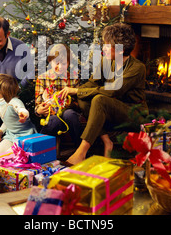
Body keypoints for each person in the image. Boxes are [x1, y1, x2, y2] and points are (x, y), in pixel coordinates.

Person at [59, 23, 148, 165]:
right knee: (84, 98)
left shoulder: (137, 68)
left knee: (98, 99)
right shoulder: (106, 61)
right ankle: (107, 141)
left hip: (133, 114)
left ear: (120, 49)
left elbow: (114, 90)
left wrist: (78, 90)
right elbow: (92, 83)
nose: (103, 47)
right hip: (112, 109)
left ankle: (81, 152)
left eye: (107, 45)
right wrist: (78, 91)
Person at [35, 44, 81, 146]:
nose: (60, 67)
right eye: (56, 63)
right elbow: (38, 104)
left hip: (68, 114)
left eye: (64, 64)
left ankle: (80, 148)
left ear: (69, 63)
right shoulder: (42, 78)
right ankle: (39, 149)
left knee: (70, 114)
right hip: (51, 116)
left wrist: (70, 101)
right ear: (50, 61)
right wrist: (39, 110)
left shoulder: (73, 78)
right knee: (53, 121)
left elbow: (79, 102)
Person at [0, 73, 36, 154]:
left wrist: (23, 113)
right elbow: (7, 121)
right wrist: (0, 131)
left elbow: (20, 108)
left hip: (24, 136)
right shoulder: (0, 103)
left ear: (1, 90)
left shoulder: (13, 101)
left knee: (11, 155)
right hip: (11, 135)